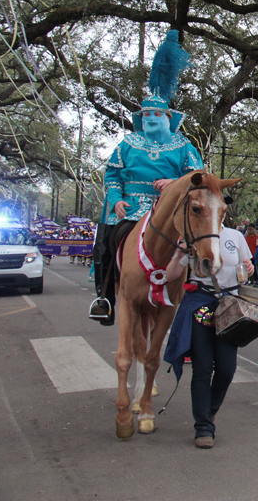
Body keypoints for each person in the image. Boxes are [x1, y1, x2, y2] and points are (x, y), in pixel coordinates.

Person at [89, 30, 204, 325]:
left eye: (157, 113)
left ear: (168, 118)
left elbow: (198, 176)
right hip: (129, 206)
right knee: (108, 242)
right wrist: (114, 199)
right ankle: (105, 297)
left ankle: (196, 289)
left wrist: (174, 184)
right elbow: (112, 173)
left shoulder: (184, 146)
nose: (151, 116)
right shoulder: (127, 144)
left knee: (196, 241)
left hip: (168, 207)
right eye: (146, 113)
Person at [163, 222, 254, 449]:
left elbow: (247, 267)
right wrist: (178, 253)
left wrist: (249, 269)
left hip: (228, 307)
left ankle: (210, 409)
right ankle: (203, 426)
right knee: (202, 368)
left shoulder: (235, 236)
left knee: (226, 368)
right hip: (200, 303)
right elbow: (170, 274)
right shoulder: (193, 237)